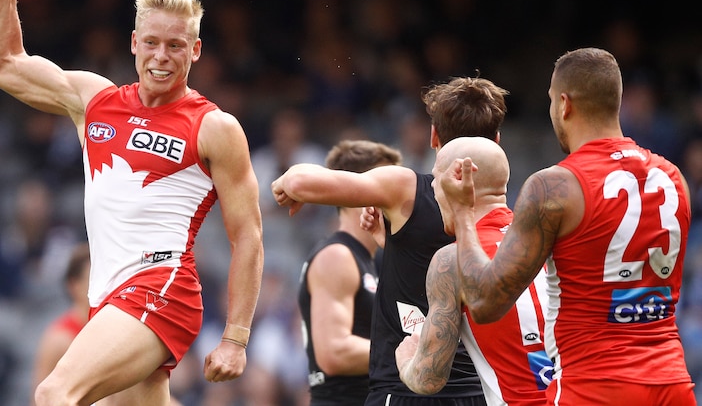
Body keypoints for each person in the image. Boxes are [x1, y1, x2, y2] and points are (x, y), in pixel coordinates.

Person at [0, 0, 264, 406]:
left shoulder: (214, 127)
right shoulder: (95, 100)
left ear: (195, 51)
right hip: (107, 296)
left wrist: (235, 338)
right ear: (134, 43)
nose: (161, 57)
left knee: (54, 393)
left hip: (161, 288)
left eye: (175, 46)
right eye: (151, 43)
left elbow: (248, 233)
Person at [438, 48, 696, 405]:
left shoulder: (555, 187)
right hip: (672, 385)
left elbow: (485, 302)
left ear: (564, 104)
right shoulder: (674, 178)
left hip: (594, 387)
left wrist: (464, 214)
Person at [274, 77, 509, 405]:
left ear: (433, 137)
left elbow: (301, 180)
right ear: (497, 141)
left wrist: (289, 183)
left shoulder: (407, 189)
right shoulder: (507, 221)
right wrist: (399, 247)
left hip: (405, 390)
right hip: (477, 393)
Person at [395, 136, 552, 405]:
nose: (432, 187)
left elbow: (427, 378)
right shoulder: (548, 237)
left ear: (457, 179)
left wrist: (407, 359)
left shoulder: (451, 260)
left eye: (435, 177)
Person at [277, 140, 402, 405]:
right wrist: (409, 354)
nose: (396, 196)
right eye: (386, 186)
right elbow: (334, 352)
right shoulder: (337, 256)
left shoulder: (365, 260)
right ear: (355, 192)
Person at [30, 244, 90, 404]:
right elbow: (39, 398)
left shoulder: (115, 330)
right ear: (73, 285)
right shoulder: (58, 339)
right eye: (92, 279)